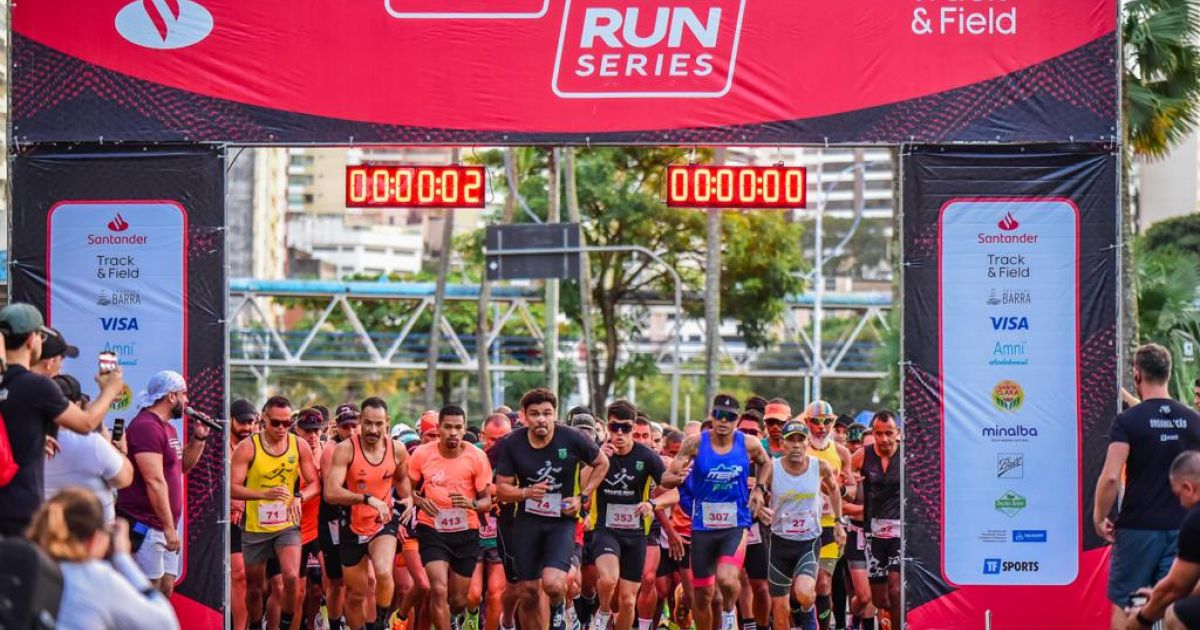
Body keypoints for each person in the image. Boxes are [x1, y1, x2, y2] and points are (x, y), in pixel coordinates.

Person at [1096, 344, 1200, 630]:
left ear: (1137, 374)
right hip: (1184, 528)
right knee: (1174, 602)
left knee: (1126, 603)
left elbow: (1111, 477)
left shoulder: (1127, 421)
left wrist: (1099, 517)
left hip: (1137, 528)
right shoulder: (1194, 420)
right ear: (1168, 374)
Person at [0, 303, 125, 536]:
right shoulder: (37, 385)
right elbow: (86, 424)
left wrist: (36, 437)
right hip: (22, 509)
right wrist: (110, 390)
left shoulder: (6, 382)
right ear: (31, 340)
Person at [495, 388, 610, 630]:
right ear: (524, 416)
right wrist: (525, 492)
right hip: (527, 522)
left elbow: (602, 462)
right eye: (535, 413)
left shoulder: (572, 438)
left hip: (561, 521)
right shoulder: (512, 443)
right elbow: (502, 489)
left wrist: (583, 496)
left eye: (547, 413)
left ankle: (558, 608)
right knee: (528, 591)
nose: (541, 419)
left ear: (554, 414)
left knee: (553, 584)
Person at [661, 394, 773, 630]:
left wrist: (760, 489)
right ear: (712, 417)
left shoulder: (749, 444)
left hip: (735, 524)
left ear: (737, 420)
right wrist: (677, 477)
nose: (723, 421)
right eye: (719, 415)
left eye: (729, 417)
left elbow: (765, 462)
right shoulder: (694, 443)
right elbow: (666, 478)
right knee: (703, 595)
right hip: (702, 528)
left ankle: (730, 611)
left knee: (727, 580)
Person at [28, 488, 179, 630]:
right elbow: (165, 624)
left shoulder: (28, 559)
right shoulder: (95, 577)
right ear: (95, 538)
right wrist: (123, 558)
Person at [116, 370, 211, 597]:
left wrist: (199, 438)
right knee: (149, 592)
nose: (187, 400)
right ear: (171, 396)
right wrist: (169, 527)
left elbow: (181, 467)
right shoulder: (146, 427)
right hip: (146, 523)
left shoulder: (167, 427)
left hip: (163, 524)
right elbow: (154, 481)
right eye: (184, 394)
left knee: (166, 587)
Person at [232, 395, 320, 630]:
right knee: (255, 587)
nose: (282, 428)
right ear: (264, 419)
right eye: (276, 423)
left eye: (287, 423)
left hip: (287, 525)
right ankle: (254, 624)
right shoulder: (248, 447)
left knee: (291, 578)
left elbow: (315, 483)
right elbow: (232, 487)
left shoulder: (298, 445)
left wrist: (299, 497)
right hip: (255, 526)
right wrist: (263, 494)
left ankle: (285, 624)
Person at [324, 397, 412, 630]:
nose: (373, 430)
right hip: (352, 525)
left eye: (379, 424)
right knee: (356, 595)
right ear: (360, 421)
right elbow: (330, 493)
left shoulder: (397, 450)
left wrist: (409, 500)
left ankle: (381, 622)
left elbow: (403, 481)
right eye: (368, 423)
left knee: (383, 573)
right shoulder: (346, 450)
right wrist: (366, 499)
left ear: (387, 423)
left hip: (382, 522)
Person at [587, 402, 676, 630]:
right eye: (614, 427)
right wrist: (599, 461)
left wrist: (652, 503)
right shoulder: (598, 453)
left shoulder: (646, 457)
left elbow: (674, 492)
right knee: (609, 579)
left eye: (625, 428)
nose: (619, 433)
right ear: (607, 426)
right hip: (605, 529)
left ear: (633, 428)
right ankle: (603, 611)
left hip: (636, 534)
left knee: (627, 601)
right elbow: (581, 485)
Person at [409, 405, 493, 630]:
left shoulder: (477, 457)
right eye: (448, 427)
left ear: (464, 428)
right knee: (438, 589)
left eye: (458, 427)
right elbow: (407, 489)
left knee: (458, 600)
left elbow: (487, 501)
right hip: (432, 529)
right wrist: (419, 501)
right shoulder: (422, 454)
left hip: (466, 531)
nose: (453, 432)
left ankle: (454, 617)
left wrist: (471, 504)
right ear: (439, 428)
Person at [762, 420, 843, 630]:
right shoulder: (772, 469)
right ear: (783, 444)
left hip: (808, 542)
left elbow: (834, 489)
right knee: (780, 614)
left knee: (804, 592)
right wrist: (759, 504)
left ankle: (808, 610)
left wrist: (838, 521)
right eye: (791, 440)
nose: (796, 445)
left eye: (800, 440)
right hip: (779, 544)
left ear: (807, 443)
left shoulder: (819, 466)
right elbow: (757, 492)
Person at [43, 373, 134, 524]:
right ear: (78, 404)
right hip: (90, 532)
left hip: (46, 530)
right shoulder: (92, 442)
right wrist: (119, 450)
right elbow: (124, 479)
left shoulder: (28, 439)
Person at [1125, 450, 1200, 630]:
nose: (1180, 503)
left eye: (1178, 495)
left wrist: (1141, 619)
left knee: (1176, 614)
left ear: (1189, 488)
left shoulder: (1196, 520)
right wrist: (1157, 596)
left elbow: (1176, 587)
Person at [802, 401, 851, 630]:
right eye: (816, 421)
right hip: (802, 525)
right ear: (807, 422)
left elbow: (852, 490)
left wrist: (841, 490)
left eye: (827, 421)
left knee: (823, 583)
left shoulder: (841, 452)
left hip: (830, 524)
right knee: (803, 588)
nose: (822, 427)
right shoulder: (799, 449)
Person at [850, 411, 901, 627]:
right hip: (873, 534)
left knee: (896, 590)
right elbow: (846, 494)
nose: (884, 439)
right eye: (879, 434)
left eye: (889, 433)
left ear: (897, 433)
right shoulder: (861, 455)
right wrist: (847, 485)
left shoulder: (907, 456)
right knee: (880, 599)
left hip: (901, 533)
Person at [320, 405, 361, 630]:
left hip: (360, 519)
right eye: (346, 426)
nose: (351, 431)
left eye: (355, 425)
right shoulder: (331, 449)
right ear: (337, 426)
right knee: (336, 581)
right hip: (333, 519)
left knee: (367, 579)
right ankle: (335, 625)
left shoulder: (366, 447)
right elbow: (331, 493)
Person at [735, 409, 771, 630]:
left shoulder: (765, 461)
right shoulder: (725, 455)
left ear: (761, 434)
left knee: (761, 586)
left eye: (753, 432)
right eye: (743, 431)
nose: (748, 436)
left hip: (758, 527)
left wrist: (761, 489)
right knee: (734, 580)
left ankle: (763, 625)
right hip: (729, 525)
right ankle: (746, 624)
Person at [295, 408, 329, 630]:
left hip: (320, 529)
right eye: (308, 431)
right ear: (298, 430)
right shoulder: (289, 453)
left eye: (316, 431)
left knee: (329, 584)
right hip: (294, 530)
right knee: (297, 593)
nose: (313, 436)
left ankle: (325, 622)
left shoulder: (328, 454)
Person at [229, 398, 259, 630]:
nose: (247, 427)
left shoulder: (256, 446)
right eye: (242, 422)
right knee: (237, 575)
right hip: (220, 519)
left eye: (251, 422)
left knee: (243, 577)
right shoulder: (218, 444)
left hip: (248, 518)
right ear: (230, 420)